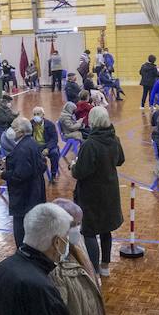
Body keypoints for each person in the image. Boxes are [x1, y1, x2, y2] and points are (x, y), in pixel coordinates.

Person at [50, 199, 117, 315]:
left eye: (79, 224)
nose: (77, 229)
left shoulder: (76, 247)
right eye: (73, 225)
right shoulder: (53, 270)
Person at [70, 107, 123, 277]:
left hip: (91, 194)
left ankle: (93, 270)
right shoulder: (114, 139)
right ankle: (105, 267)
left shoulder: (90, 144)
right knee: (106, 229)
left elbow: (80, 172)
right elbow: (120, 160)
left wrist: (73, 166)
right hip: (110, 191)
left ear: (92, 121)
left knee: (90, 231)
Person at [2, 116, 47, 247]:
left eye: (13, 127)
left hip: (24, 197)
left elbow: (20, 175)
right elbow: (41, 165)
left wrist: (5, 174)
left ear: (21, 131)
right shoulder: (32, 143)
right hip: (34, 193)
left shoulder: (22, 149)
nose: (10, 130)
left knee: (21, 230)